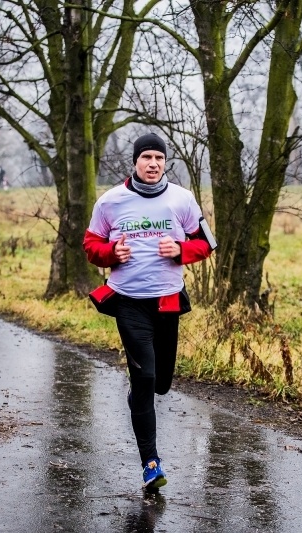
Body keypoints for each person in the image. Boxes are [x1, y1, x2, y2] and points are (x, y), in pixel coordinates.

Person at [83, 133, 216, 490]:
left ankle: (139, 395)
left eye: (159, 157)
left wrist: (181, 250)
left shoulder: (181, 199)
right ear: (135, 162)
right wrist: (111, 253)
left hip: (166, 301)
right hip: (129, 302)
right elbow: (91, 245)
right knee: (144, 379)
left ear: (165, 162)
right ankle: (151, 464)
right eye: (147, 157)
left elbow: (207, 243)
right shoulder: (111, 201)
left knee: (161, 383)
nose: (153, 164)